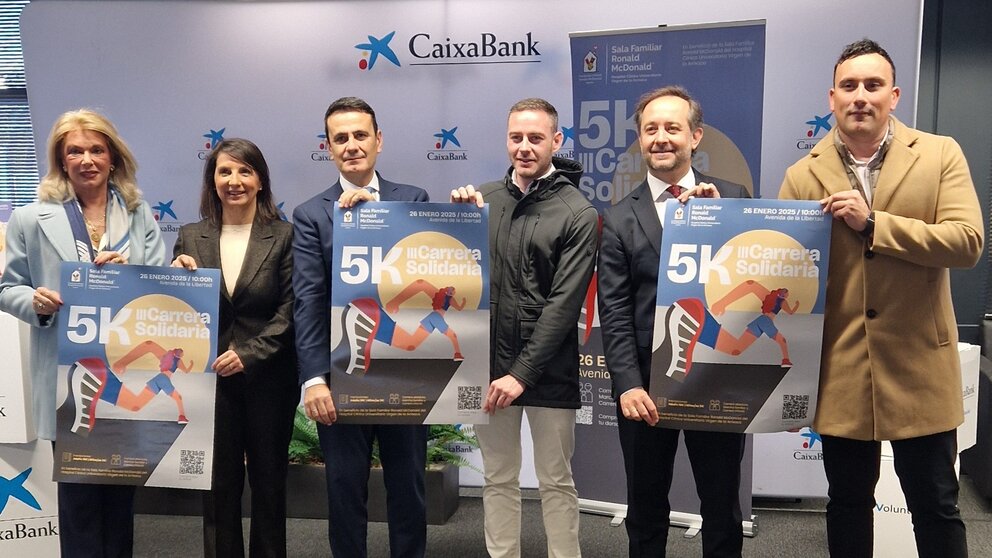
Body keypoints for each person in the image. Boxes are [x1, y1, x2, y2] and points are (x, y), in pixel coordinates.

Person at [779, 39, 983, 558]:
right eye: (849, 86)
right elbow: (784, 267)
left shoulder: (940, 153)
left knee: (935, 505)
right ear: (832, 98)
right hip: (842, 370)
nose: (860, 96)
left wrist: (875, 224)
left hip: (919, 364)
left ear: (894, 95)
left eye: (873, 85)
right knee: (847, 504)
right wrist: (718, 221)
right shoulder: (802, 175)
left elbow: (967, 242)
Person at [0, 108, 166, 557]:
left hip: (123, 372)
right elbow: (7, 286)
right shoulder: (30, 218)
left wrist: (132, 273)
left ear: (113, 157)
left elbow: (160, 282)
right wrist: (34, 301)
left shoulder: (138, 213)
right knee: (78, 504)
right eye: (75, 151)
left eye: (96, 149)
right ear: (61, 159)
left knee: (120, 499)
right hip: (64, 378)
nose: (87, 159)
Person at [597, 86, 749, 558]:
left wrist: (717, 217)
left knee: (721, 506)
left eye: (672, 128)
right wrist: (626, 385)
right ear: (640, 140)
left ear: (695, 136)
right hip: (645, 387)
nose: (661, 138)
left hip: (714, 376)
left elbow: (752, 287)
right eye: (650, 129)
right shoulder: (619, 217)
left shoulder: (733, 198)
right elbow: (616, 311)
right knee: (644, 509)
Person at [452, 98, 598, 558]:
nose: (525, 147)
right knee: (498, 478)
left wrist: (522, 374)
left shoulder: (579, 212)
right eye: (517, 137)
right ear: (507, 138)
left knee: (556, 480)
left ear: (556, 141)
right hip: (489, 367)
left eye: (536, 138)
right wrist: (457, 218)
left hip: (548, 370)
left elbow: (562, 305)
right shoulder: (484, 200)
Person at [293, 97, 430, 558]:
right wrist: (313, 378)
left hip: (403, 370)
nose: (351, 146)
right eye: (340, 138)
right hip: (341, 374)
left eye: (360, 135)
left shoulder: (413, 200)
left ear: (378, 140)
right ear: (328, 148)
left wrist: (373, 214)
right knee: (344, 491)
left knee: (408, 491)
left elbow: (425, 280)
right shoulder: (311, 214)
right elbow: (307, 302)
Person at [172, 138, 297, 558]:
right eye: (224, 172)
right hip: (211, 384)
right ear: (212, 181)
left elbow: (290, 310)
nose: (234, 181)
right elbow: (179, 311)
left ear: (260, 180)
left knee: (268, 483)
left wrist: (250, 353)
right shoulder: (190, 237)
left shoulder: (284, 235)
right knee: (218, 485)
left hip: (268, 380)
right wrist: (176, 278)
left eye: (244, 171)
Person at [341, 279, 465, 375]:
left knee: (410, 345)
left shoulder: (448, 299)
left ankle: (373, 322)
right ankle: (371, 314)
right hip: (435, 317)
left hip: (434, 317)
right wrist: (396, 301)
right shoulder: (441, 296)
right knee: (413, 343)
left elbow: (454, 304)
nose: (452, 292)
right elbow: (420, 284)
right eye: (450, 291)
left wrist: (460, 306)